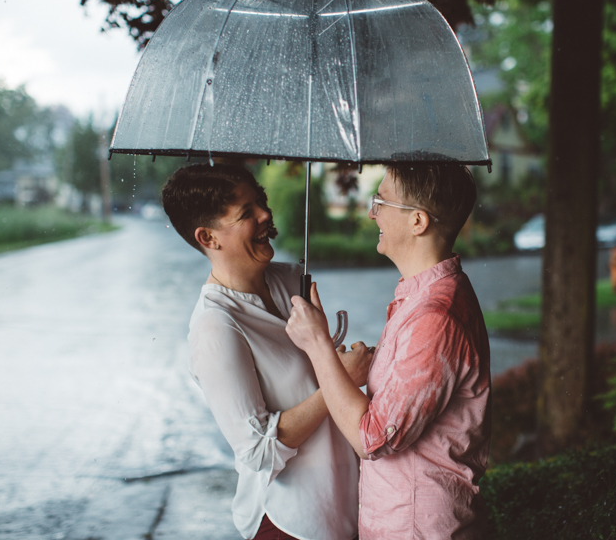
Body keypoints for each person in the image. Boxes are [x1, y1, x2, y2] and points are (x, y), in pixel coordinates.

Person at [161, 162, 372, 540]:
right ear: (208, 238)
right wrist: (341, 380)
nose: (265, 214)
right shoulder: (216, 326)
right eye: (246, 213)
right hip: (291, 522)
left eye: (259, 200)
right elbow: (257, 450)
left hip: (349, 506)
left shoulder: (291, 280)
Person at [286, 163, 491, 539]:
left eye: (381, 201)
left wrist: (318, 345)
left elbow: (372, 438)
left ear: (418, 222)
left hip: (418, 528)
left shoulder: (435, 317)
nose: (371, 211)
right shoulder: (422, 296)